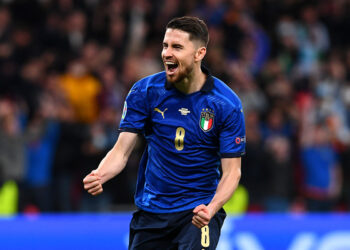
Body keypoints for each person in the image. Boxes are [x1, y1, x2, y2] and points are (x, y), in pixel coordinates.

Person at [83, 16, 245, 249]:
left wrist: (212, 208)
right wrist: (100, 173)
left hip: (197, 213)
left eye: (177, 47)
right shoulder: (145, 91)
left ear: (199, 54)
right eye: (165, 45)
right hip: (152, 212)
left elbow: (233, 172)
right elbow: (121, 151)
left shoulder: (225, 104)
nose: (167, 53)